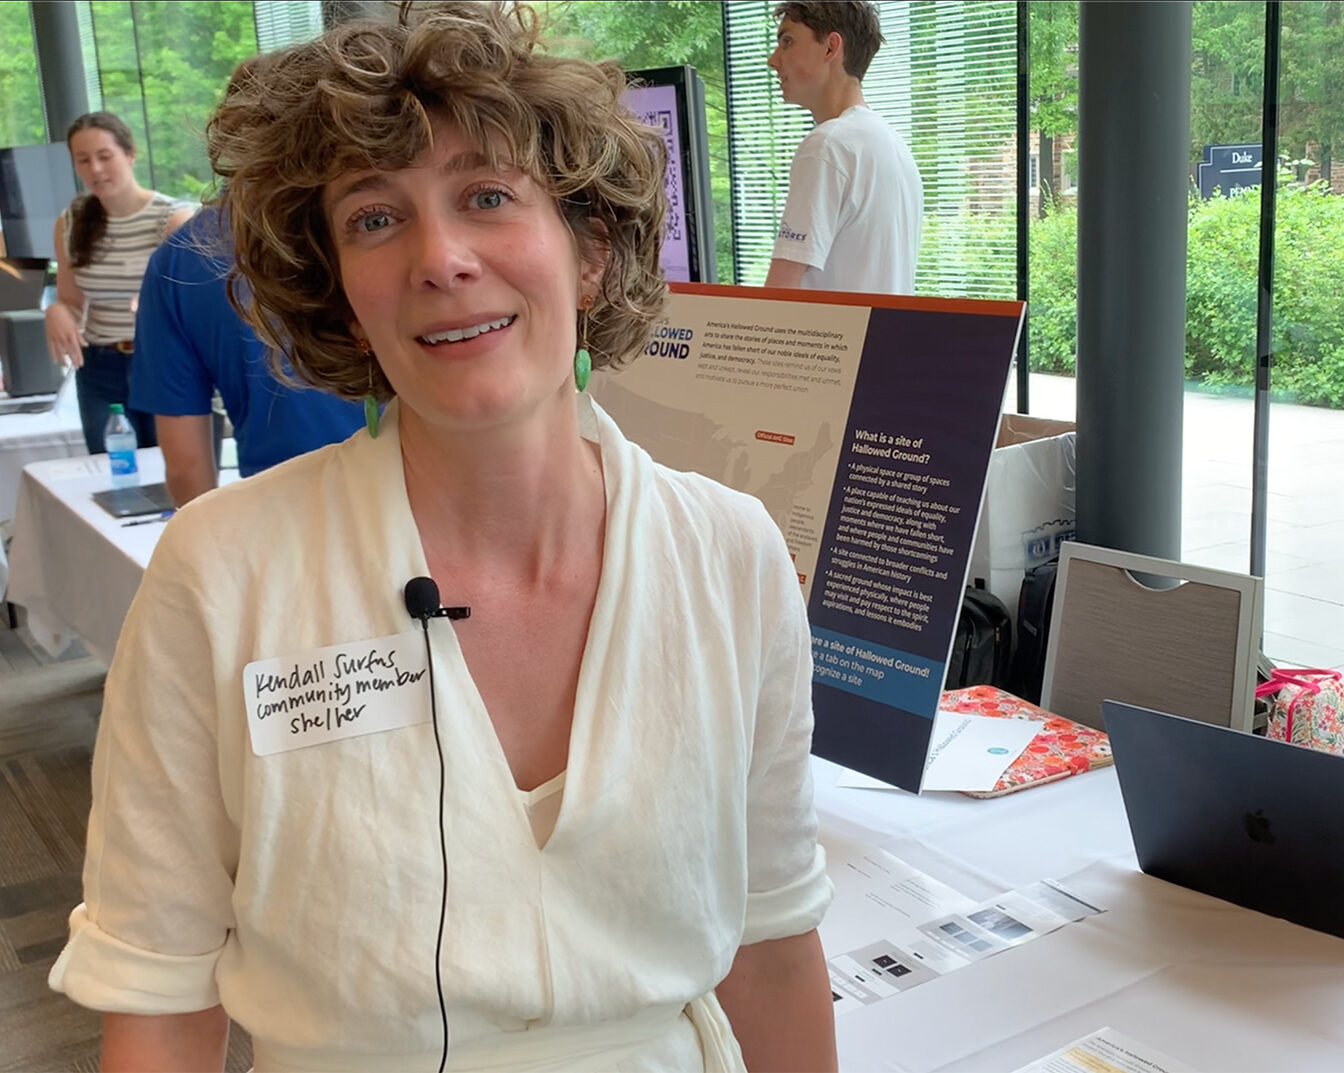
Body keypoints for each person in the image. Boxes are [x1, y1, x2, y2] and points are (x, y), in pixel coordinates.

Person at [48, 5, 837, 1072]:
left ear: (591, 249)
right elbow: (156, 989)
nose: (441, 257)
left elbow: (774, 943)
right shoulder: (222, 575)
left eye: (487, 196)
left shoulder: (732, 554)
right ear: (339, 291)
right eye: (375, 218)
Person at [130, 203, 366, 505]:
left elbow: (187, 467)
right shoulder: (368, 218)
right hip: (410, 501)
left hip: (278, 511)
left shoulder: (180, 258)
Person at [42, 112, 193, 454]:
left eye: (104, 156)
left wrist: (154, 304)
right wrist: (56, 310)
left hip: (161, 363)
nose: (95, 169)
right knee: (112, 474)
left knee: (171, 472)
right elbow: (70, 300)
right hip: (99, 368)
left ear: (130, 153)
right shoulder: (70, 222)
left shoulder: (173, 218)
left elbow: (193, 306)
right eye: (83, 160)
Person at [764, 0, 924, 295]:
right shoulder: (894, 146)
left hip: (831, 341)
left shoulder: (827, 146)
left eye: (787, 41)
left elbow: (778, 295)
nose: (772, 60)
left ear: (830, 47)